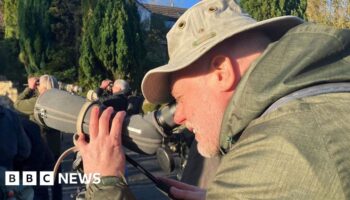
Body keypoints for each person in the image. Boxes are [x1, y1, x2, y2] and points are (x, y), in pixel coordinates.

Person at [77, 0, 350, 199]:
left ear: (221, 72)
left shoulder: (277, 152)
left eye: (180, 98)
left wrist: (105, 183)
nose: (180, 116)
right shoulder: (324, 100)